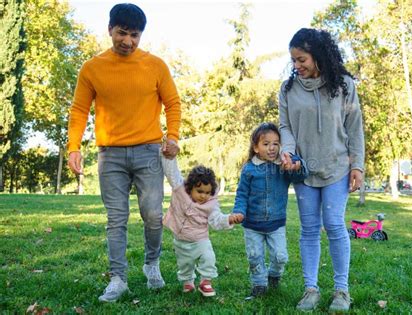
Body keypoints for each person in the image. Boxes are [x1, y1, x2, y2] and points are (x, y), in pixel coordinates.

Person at [67, 3, 181, 302]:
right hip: (111, 155)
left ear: (141, 35)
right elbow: (79, 109)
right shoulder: (92, 67)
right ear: (110, 30)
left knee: (153, 215)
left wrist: (173, 136)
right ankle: (118, 279)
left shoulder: (155, 65)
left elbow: (173, 103)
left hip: (148, 152)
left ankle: (152, 264)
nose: (128, 41)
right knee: (116, 219)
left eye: (135, 35)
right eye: (122, 33)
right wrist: (73, 147)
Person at [278, 28, 365, 312]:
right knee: (309, 229)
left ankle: (342, 291)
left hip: (338, 166)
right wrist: (288, 152)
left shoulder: (344, 85)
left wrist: (358, 165)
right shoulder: (288, 89)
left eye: (301, 59)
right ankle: (311, 288)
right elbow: (285, 126)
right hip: (304, 169)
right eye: (293, 61)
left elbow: (354, 127)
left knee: (335, 224)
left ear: (317, 55)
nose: (297, 66)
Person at [232, 122, 308, 300]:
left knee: (281, 256)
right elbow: (242, 194)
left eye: (275, 143)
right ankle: (259, 284)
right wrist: (239, 211)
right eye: (266, 144)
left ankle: (273, 276)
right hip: (252, 224)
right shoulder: (249, 169)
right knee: (254, 256)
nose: (272, 148)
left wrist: (297, 165)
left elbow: (300, 175)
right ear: (256, 148)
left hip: (276, 223)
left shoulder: (283, 165)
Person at [161, 147, 244, 297]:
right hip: (181, 239)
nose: (203, 196)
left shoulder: (210, 205)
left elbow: (216, 220)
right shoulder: (180, 191)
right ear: (190, 188)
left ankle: (206, 282)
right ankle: (188, 282)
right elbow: (172, 173)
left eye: (207, 193)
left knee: (208, 257)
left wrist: (229, 219)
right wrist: (168, 155)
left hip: (200, 239)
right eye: (199, 192)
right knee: (185, 263)